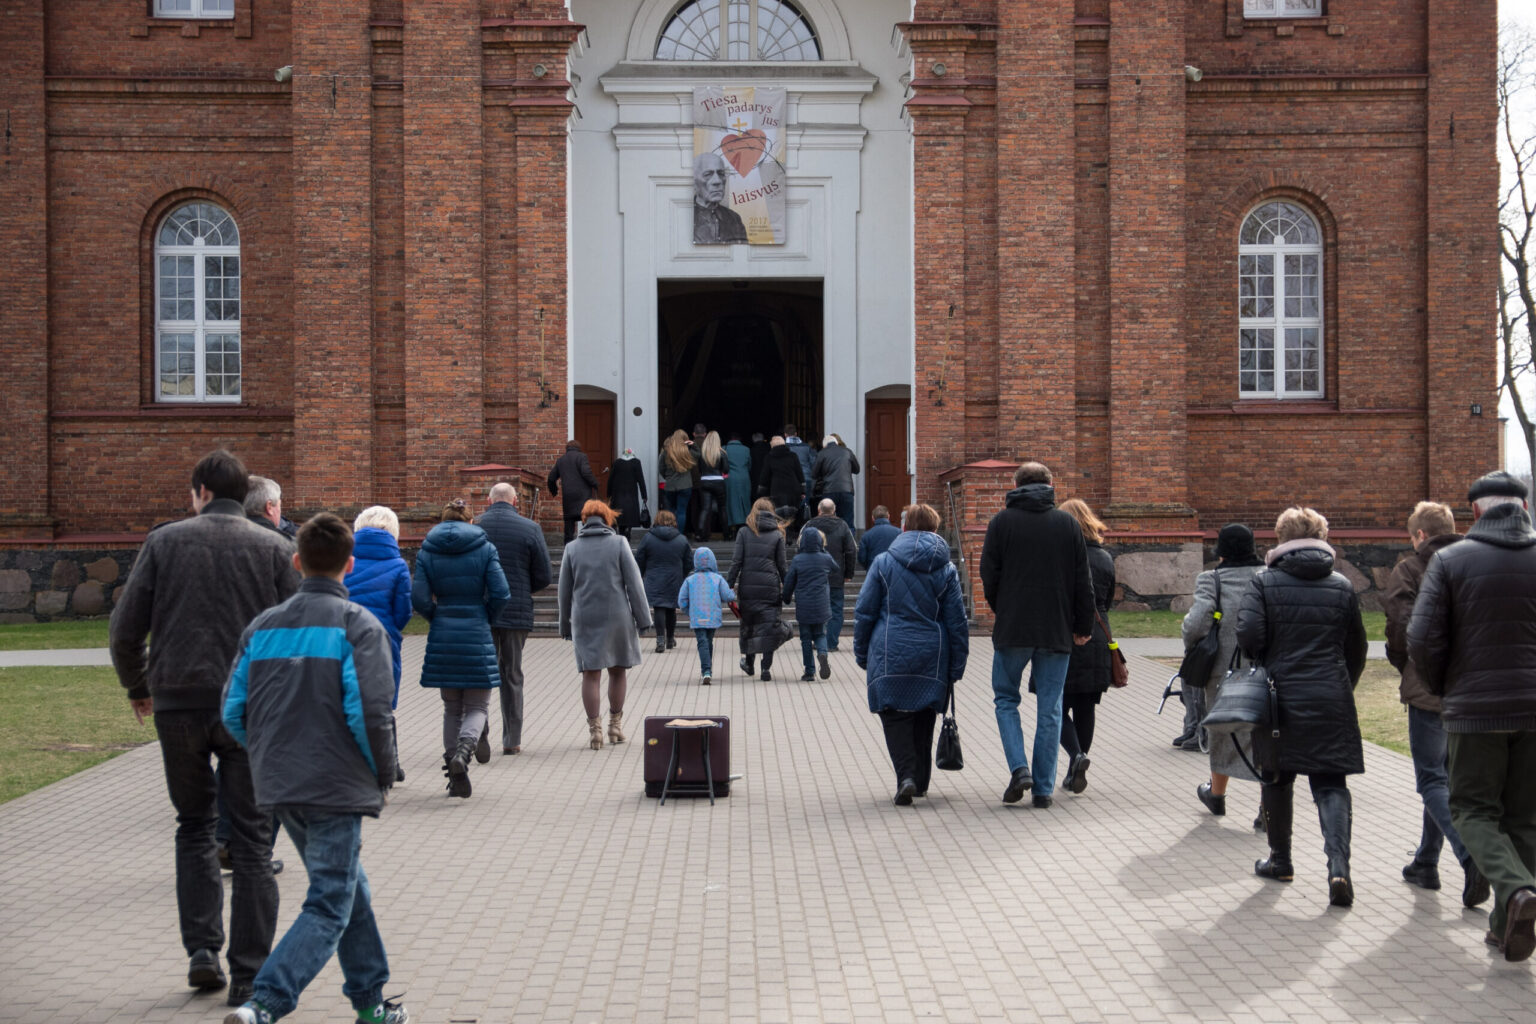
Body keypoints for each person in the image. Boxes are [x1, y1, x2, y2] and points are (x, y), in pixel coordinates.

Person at [109, 449, 295, 1006]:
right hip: (249, 708)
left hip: (179, 701)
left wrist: (138, 686)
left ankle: (201, 951)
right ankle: (249, 971)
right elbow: (296, 631)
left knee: (193, 826)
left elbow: (125, 628)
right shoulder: (274, 547)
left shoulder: (164, 542)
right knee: (254, 844)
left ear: (201, 493)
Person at [220, 514, 406, 1024]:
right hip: (335, 785)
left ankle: (370, 1003)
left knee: (350, 889)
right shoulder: (357, 625)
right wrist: (381, 774)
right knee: (330, 902)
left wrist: (265, 756)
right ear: (349, 564)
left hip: (281, 784)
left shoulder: (262, 627)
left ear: (297, 562)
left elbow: (235, 710)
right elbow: (370, 712)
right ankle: (264, 1003)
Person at [1409, 471, 1536, 961]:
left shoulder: (1450, 559)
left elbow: (1422, 639)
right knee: (1524, 818)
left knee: (1472, 810)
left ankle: (1519, 891)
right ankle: (1506, 926)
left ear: (1476, 513)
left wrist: (1445, 688)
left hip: (1475, 710)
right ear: (1522, 508)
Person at [1237, 506, 1367, 907]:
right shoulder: (1342, 586)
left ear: (1280, 539)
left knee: (1277, 779)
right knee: (1331, 783)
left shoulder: (1264, 583)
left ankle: (1281, 860)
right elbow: (1357, 647)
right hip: (1331, 696)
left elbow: (1249, 638)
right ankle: (1339, 868)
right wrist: (1343, 684)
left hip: (1280, 697)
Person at [1385, 501, 1488, 907]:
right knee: (1446, 779)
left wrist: (1403, 668)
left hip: (1429, 686)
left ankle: (1469, 856)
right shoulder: (1473, 564)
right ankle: (1426, 862)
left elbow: (1400, 630)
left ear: (1421, 536)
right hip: (1469, 689)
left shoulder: (1410, 569)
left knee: (1431, 779)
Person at [979, 461, 1094, 809]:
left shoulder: (1001, 523)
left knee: (1005, 699)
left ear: (1015, 484)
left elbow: (988, 575)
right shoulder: (1067, 524)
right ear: (1049, 484)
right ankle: (1043, 788)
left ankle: (1019, 769)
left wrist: (1005, 608)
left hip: (1013, 628)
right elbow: (1082, 581)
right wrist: (1082, 626)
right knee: (1051, 708)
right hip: (1056, 629)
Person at [855, 503, 969, 805]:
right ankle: (919, 782)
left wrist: (861, 651)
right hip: (933, 653)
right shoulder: (946, 568)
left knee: (894, 716)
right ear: (935, 528)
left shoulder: (883, 563)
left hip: (890, 649)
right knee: (924, 716)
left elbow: (865, 611)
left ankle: (905, 776)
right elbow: (956, 621)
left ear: (904, 528)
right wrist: (958, 663)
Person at [412, 499, 510, 799]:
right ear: (470, 521)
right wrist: (486, 615)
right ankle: (464, 753)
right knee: (478, 706)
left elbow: (418, 598)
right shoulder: (485, 548)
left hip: (443, 632)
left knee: (451, 707)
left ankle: (453, 772)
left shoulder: (427, 550)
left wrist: (436, 615)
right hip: (476, 629)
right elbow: (501, 592)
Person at [1185, 523, 1265, 821]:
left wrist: (1187, 636)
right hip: (1263, 669)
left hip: (1222, 670)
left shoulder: (1212, 579)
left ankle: (1217, 795)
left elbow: (1196, 625)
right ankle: (1266, 806)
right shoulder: (1267, 577)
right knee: (1263, 733)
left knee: (1222, 730)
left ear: (1222, 551)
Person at [558, 500, 652, 750]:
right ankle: (615, 726)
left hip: (584, 618)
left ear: (584, 519)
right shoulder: (619, 543)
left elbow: (564, 591)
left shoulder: (572, 548)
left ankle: (595, 731)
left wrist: (564, 624)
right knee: (618, 671)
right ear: (608, 518)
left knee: (591, 674)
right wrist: (643, 619)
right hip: (617, 617)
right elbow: (634, 584)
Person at [475, 482, 553, 756]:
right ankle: (512, 740)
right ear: (515, 501)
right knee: (512, 674)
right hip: (516, 610)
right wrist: (520, 588)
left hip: (481, 611)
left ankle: (477, 732)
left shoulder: (475, 527)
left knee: (482, 673)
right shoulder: (529, 528)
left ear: (489, 499)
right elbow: (544, 575)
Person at [1052, 498, 1117, 796]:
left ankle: (1076, 755)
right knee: (1085, 706)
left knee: (1055, 705)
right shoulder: (1104, 557)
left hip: (1064, 634)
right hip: (1098, 636)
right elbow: (1108, 600)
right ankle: (1075, 767)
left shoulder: (1061, 557)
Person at [345, 505, 414, 780]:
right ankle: (390, 762)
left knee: (346, 697)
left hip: (345, 636)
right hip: (383, 640)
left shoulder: (344, 558)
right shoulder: (398, 565)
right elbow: (403, 612)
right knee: (383, 702)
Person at [730, 498, 789, 681]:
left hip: (748, 586)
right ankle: (766, 669)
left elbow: (736, 562)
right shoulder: (778, 534)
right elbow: (782, 566)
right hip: (770, 586)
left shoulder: (744, 532)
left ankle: (749, 664)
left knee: (749, 624)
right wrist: (788, 587)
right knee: (769, 626)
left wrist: (728, 585)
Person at [782, 525, 839, 681]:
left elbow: (789, 581)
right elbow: (836, 568)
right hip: (822, 604)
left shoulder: (798, 560)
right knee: (820, 634)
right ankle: (822, 653)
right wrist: (823, 551)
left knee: (806, 639)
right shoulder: (825, 558)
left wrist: (786, 598)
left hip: (804, 605)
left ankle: (809, 671)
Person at [634, 509, 691, 653]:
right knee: (671, 608)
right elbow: (689, 562)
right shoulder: (682, 539)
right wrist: (682, 575)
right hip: (674, 578)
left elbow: (639, 558)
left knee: (659, 607)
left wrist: (640, 575)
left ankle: (660, 639)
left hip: (654, 577)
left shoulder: (648, 538)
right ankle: (670, 639)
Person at [678, 546, 736, 685]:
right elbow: (728, 596)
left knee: (702, 642)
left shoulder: (690, 580)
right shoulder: (717, 579)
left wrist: (689, 612)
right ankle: (707, 669)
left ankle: (706, 670)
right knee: (708, 641)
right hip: (712, 616)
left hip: (697, 617)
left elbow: (682, 601)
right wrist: (733, 593)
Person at [804, 497, 856, 651]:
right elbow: (851, 550)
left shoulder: (810, 525)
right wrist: (849, 573)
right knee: (836, 608)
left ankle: (819, 640)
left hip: (814, 576)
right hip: (836, 575)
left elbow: (801, 548)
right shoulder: (843, 526)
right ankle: (831, 642)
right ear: (834, 511)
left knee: (815, 608)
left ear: (819, 510)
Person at [547, 440, 600, 543]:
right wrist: (595, 483)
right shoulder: (582, 457)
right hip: (583, 496)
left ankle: (568, 551)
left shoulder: (561, 460)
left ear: (567, 448)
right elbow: (586, 473)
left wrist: (554, 491)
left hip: (568, 498)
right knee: (587, 523)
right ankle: (588, 546)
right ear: (578, 448)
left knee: (569, 529)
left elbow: (551, 478)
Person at [692, 152, 748, 245]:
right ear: (694, 181)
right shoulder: (684, 215)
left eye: (721, 174)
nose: (717, 181)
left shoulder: (734, 219)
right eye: (708, 174)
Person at [811, 435, 860, 532]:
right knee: (847, 520)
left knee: (827, 519)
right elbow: (857, 469)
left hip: (829, 490)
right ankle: (850, 544)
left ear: (824, 445)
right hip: (846, 490)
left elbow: (814, 474)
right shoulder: (847, 451)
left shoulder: (822, 453)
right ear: (836, 443)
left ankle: (829, 543)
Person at [658, 429, 696, 536]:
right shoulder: (688, 451)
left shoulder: (667, 451)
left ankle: (670, 532)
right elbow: (698, 455)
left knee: (671, 511)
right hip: (685, 485)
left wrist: (668, 477)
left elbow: (661, 468)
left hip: (670, 486)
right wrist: (693, 445)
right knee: (681, 511)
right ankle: (679, 534)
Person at [694, 430, 730, 541]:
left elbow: (700, 470)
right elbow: (726, 470)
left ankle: (699, 533)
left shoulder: (702, 453)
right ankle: (726, 534)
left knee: (705, 509)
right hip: (718, 482)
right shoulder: (722, 453)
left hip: (705, 481)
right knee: (722, 508)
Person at [757, 435, 805, 515]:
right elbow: (799, 473)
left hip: (777, 490)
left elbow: (764, 476)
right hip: (793, 489)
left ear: (772, 445)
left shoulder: (769, 457)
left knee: (779, 516)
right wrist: (803, 490)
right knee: (793, 515)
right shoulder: (793, 455)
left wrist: (761, 490)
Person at [606, 448, 648, 539]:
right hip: (631, 493)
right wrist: (644, 495)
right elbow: (641, 479)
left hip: (618, 494)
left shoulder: (617, 463)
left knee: (619, 515)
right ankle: (628, 530)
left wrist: (609, 494)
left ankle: (621, 532)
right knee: (630, 514)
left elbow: (611, 479)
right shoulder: (636, 462)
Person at [724, 433, 754, 537]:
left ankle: (731, 528)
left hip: (729, 479)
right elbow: (750, 465)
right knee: (744, 503)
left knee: (730, 502)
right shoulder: (746, 449)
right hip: (744, 478)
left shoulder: (724, 449)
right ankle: (743, 527)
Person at [858, 505, 900, 570]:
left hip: (874, 569)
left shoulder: (866, 535)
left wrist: (869, 567)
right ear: (888, 516)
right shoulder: (899, 533)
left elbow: (862, 558)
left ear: (873, 518)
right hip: (893, 570)